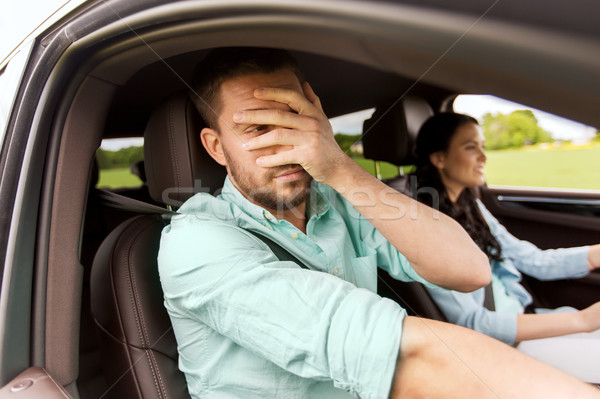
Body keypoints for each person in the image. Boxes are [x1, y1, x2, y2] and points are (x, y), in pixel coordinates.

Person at [158, 47, 600, 398]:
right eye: (258, 129)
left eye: (296, 119)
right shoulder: (196, 242)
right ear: (216, 148)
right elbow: (405, 358)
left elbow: (470, 272)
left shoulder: (343, 200)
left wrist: (340, 169)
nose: (287, 145)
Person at [413, 112, 600, 346]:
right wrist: (582, 321)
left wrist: (595, 254)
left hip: (526, 320)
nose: (483, 157)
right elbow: (472, 322)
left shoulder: (471, 205)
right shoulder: (427, 228)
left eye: (483, 146)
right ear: (439, 158)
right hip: (505, 344)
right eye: (471, 148)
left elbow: (533, 260)